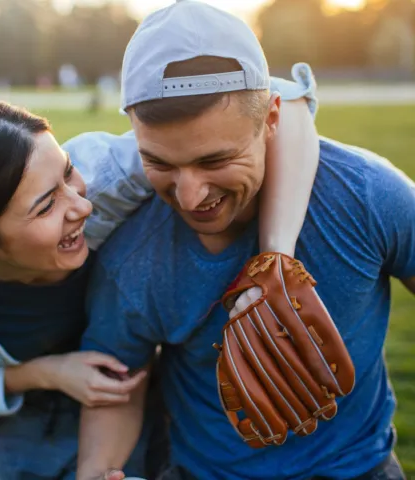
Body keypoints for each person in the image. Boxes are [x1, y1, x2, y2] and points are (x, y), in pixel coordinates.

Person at [76, 2, 415, 480]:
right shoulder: (133, 254)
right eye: (161, 163)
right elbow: (118, 387)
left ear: (272, 118)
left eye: (215, 160)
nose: (190, 196)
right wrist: (95, 471)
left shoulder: (366, 195)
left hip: (361, 467)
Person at [0, 69, 318, 480]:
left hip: (134, 384)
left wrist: (275, 259)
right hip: (28, 417)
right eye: (46, 206)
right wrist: (52, 372)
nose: (81, 206)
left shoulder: (103, 177)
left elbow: (283, 101)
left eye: (66, 172)